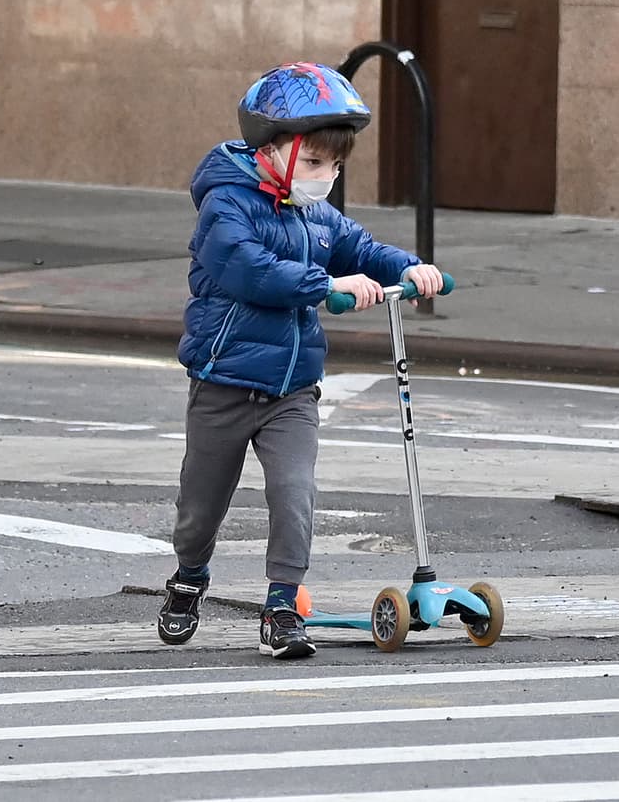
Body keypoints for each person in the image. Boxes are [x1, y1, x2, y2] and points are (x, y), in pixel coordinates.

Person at [157, 62, 443, 658]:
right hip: (224, 383)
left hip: (292, 391)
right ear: (270, 149)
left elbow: (361, 247)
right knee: (200, 507)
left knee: (294, 494)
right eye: (313, 162)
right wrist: (325, 285)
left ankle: (283, 606)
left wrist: (410, 268)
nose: (325, 177)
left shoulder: (313, 214)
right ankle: (189, 576)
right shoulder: (226, 205)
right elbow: (249, 269)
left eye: (334, 167)